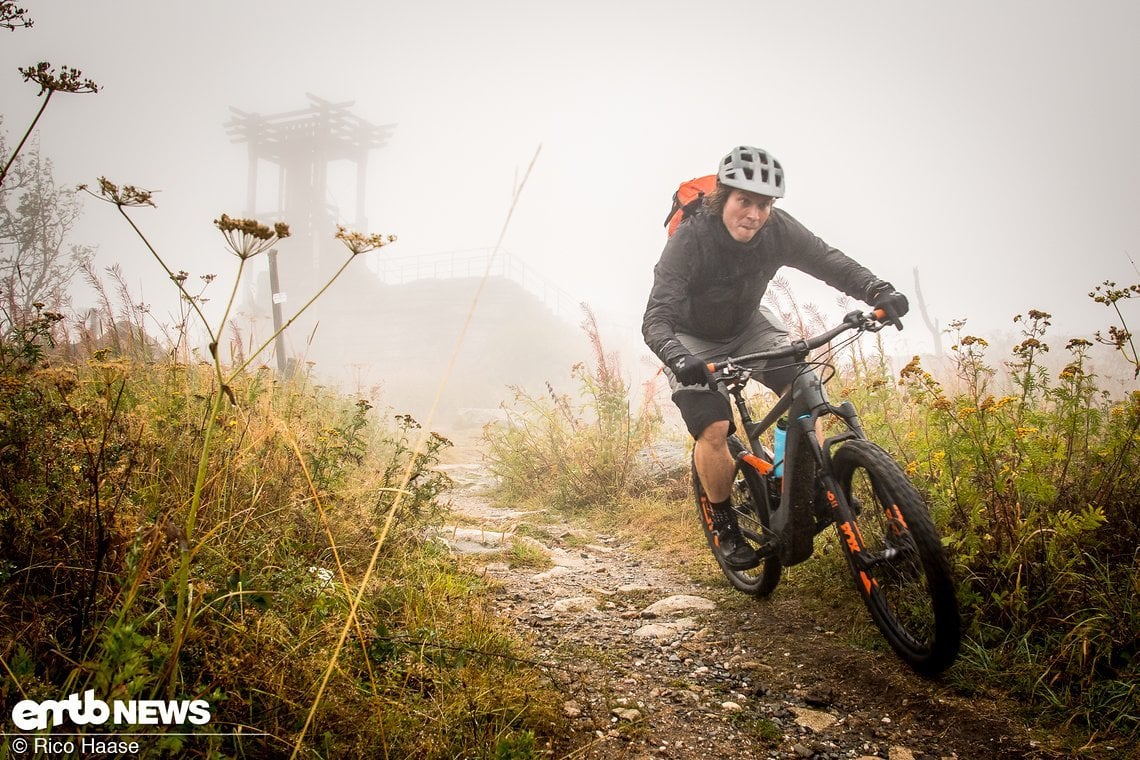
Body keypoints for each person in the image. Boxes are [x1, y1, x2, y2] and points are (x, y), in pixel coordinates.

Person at [642, 145, 909, 569]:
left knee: (804, 386)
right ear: (722, 197)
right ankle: (725, 521)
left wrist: (879, 291)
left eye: (763, 204)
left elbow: (829, 261)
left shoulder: (777, 230)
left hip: (749, 326)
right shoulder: (692, 239)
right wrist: (677, 357)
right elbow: (656, 316)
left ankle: (797, 481)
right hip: (689, 338)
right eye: (743, 201)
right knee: (713, 427)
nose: (753, 213)